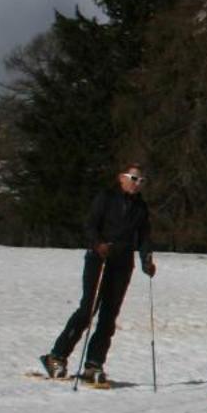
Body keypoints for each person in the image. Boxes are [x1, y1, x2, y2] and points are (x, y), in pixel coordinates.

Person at [41, 163, 156, 386]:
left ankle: (94, 363)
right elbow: (90, 224)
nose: (137, 184)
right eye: (133, 178)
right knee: (88, 309)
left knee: (108, 316)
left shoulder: (141, 207)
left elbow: (144, 237)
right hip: (99, 259)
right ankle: (56, 356)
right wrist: (98, 244)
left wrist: (147, 260)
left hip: (122, 263)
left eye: (141, 181)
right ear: (121, 178)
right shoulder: (107, 197)